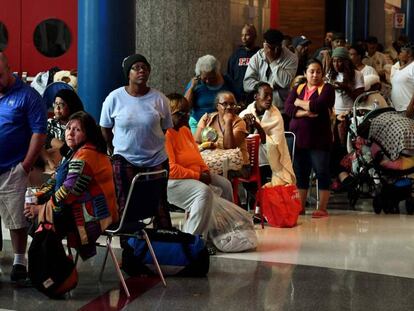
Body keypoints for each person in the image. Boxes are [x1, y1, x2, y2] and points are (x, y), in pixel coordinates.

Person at [25, 112, 119, 260]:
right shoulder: (76, 152)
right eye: (69, 128)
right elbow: (56, 179)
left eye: (77, 130)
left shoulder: (85, 156)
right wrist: (38, 197)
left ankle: (52, 270)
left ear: (88, 133)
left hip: (93, 216)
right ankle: (52, 266)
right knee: (37, 214)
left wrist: (40, 209)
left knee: (41, 221)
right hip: (89, 208)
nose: (70, 133)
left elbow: (67, 193)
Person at [100, 54, 173, 228]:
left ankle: (164, 244)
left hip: (156, 158)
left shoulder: (160, 99)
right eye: (136, 67)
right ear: (128, 73)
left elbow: (165, 127)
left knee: (160, 204)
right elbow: (105, 127)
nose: (142, 71)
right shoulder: (114, 98)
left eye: (145, 67)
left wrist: (149, 141)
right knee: (126, 205)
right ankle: (131, 246)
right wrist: (112, 148)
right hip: (124, 158)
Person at [0, 53, 47, 282]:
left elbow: (39, 132)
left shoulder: (28, 96)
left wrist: (25, 166)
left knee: (16, 218)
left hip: (13, 168)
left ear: (10, 69)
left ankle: (20, 261)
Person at [165, 93, 233, 238]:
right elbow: (171, 169)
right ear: (172, 114)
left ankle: (220, 231)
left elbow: (196, 155)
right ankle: (192, 239)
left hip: (194, 175)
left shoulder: (185, 130)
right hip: (173, 181)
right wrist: (197, 176)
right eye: (184, 113)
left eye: (188, 111)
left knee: (225, 185)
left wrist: (205, 171)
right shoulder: (166, 134)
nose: (188, 116)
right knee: (203, 192)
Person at [284, 58, 336, 218]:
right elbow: (288, 108)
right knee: (301, 173)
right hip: (299, 140)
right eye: (311, 71)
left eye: (318, 71)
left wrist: (299, 103)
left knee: (322, 172)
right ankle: (300, 207)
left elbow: (318, 106)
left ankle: (322, 208)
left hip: (319, 140)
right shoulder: (298, 87)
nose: (315, 75)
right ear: (305, 73)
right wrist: (305, 112)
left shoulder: (327, 88)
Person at [240, 82, 295, 186]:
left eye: (271, 95)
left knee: (263, 179)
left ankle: (261, 197)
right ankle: (254, 198)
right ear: (256, 96)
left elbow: (274, 145)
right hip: (248, 161)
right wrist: (247, 126)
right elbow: (240, 141)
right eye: (266, 95)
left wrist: (258, 127)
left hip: (269, 162)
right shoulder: (245, 114)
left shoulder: (276, 116)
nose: (269, 98)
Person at [195, 91, 250, 177]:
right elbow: (197, 141)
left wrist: (228, 121)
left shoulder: (239, 122)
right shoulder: (207, 118)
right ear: (217, 106)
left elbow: (229, 146)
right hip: (212, 161)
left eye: (232, 104)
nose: (229, 107)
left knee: (211, 173)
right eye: (224, 104)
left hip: (237, 165)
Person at [243, 28, 298, 113]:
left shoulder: (292, 58)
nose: (276, 51)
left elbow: (284, 82)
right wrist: (268, 87)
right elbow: (246, 84)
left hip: (281, 109)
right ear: (265, 45)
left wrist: (272, 60)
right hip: (260, 108)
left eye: (278, 47)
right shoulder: (256, 58)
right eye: (272, 48)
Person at [185, 55, 239, 133]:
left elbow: (237, 100)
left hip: (222, 124)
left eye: (211, 78)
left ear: (217, 73)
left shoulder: (227, 80)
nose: (207, 81)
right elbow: (186, 106)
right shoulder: (195, 83)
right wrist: (192, 88)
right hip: (198, 123)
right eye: (204, 78)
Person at [41, 89, 84, 171]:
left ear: (71, 105)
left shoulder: (79, 124)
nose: (57, 108)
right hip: (50, 163)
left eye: (61, 105)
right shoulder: (50, 123)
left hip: (74, 163)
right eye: (55, 104)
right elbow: (41, 140)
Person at [227, 24, 260, 108]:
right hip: (238, 98)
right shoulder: (236, 54)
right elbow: (229, 76)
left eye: (247, 35)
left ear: (254, 36)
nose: (244, 38)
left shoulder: (259, 54)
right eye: (242, 35)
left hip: (254, 97)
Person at [390, 44, 414, 112]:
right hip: (395, 109)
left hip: (407, 109)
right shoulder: (398, 69)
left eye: (401, 52)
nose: (399, 54)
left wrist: (411, 107)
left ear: (409, 54)